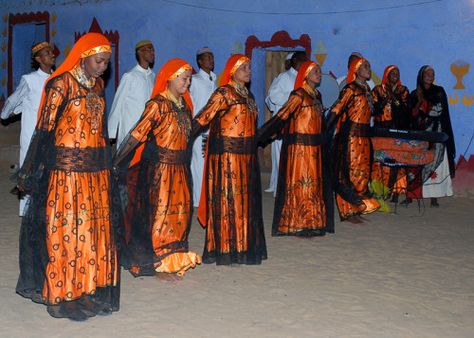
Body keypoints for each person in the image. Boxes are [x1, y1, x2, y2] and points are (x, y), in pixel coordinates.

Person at [16, 32, 120, 321]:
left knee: (92, 234)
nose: (103, 68)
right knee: (68, 234)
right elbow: (44, 131)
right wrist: (29, 170)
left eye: (107, 62)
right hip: (66, 176)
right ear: (84, 57)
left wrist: (107, 167)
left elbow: (100, 132)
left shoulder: (97, 86)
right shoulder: (59, 85)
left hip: (94, 174)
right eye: (99, 61)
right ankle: (65, 294)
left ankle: (88, 289)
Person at [113, 58, 201, 278]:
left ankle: (174, 257)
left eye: (189, 79)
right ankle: (158, 260)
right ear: (170, 78)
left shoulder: (184, 106)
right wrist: (115, 162)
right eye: (183, 78)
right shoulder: (157, 105)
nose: (187, 83)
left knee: (180, 214)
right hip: (160, 171)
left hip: (180, 169)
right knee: (160, 215)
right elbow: (136, 135)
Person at [192, 54, 267, 265]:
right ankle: (225, 249)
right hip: (227, 159)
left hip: (246, 159)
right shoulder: (223, 93)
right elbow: (202, 118)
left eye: (249, 67)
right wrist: (184, 136)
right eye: (244, 68)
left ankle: (243, 246)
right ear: (233, 71)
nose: (249, 71)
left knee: (244, 203)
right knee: (228, 201)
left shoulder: (249, 96)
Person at [258, 61, 334, 236]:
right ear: (305, 74)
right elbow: (282, 117)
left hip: (314, 150)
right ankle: (297, 223)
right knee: (301, 185)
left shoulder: (317, 96)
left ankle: (312, 221)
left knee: (313, 186)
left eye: (319, 70)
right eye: (314, 70)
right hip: (299, 150)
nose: (318, 73)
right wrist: (261, 135)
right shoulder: (298, 95)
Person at [1, 41, 55, 216]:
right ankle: (27, 212)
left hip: (52, 134)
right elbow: (14, 99)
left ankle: (48, 207)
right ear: (38, 59)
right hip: (32, 133)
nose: (52, 55)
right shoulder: (29, 80)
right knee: (29, 169)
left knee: (49, 170)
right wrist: (6, 114)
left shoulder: (58, 78)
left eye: (52, 52)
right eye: (47, 53)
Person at [326, 57, 380, 222]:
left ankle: (356, 207)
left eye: (369, 66)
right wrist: (324, 128)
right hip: (350, 137)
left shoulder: (367, 90)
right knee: (348, 173)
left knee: (362, 174)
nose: (368, 68)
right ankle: (347, 211)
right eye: (364, 66)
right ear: (356, 70)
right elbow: (337, 108)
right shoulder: (350, 89)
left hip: (364, 137)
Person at [408, 65, 455, 207]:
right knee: (416, 163)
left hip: (436, 134)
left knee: (436, 163)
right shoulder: (415, 94)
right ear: (421, 76)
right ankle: (412, 194)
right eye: (427, 74)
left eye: (432, 74)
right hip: (420, 135)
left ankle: (434, 196)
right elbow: (411, 115)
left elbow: (439, 111)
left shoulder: (439, 91)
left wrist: (425, 108)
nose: (430, 76)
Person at [264, 51, 308, 196]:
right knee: (281, 158)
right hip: (284, 124)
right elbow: (273, 96)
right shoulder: (284, 77)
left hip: (299, 125)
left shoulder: (304, 79)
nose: (304, 64)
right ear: (295, 62)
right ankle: (281, 190)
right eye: (302, 61)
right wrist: (293, 99)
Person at [370, 65, 410, 207]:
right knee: (379, 160)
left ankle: (396, 191)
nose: (395, 75)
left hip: (397, 129)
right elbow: (373, 110)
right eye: (392, 72)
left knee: (398, 161)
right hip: (381, 129)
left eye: (397, 73)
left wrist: (394, 99)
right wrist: (383, 102)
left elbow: (406, 110)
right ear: (386, 74)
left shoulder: (403, 90)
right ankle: (378, 191)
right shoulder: (378, 89)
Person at [108, 39, 155, 147]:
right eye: (149, 49)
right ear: (140, 52)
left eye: (153, 50)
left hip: (147, 131)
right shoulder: (130, 76)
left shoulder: (152, 76)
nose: (152, 53)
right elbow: (117, 105)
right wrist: (111, 133)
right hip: (130, 131)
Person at [189, 47, 217, 207]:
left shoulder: (214, 80)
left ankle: (207, 197)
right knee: (199, 164)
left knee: (208, 164)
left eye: (212, 57)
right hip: (199, 129)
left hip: (212, 128)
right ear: (200, 61)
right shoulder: (195, 80)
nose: (211, 60)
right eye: (207, 58)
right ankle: (198, 201)